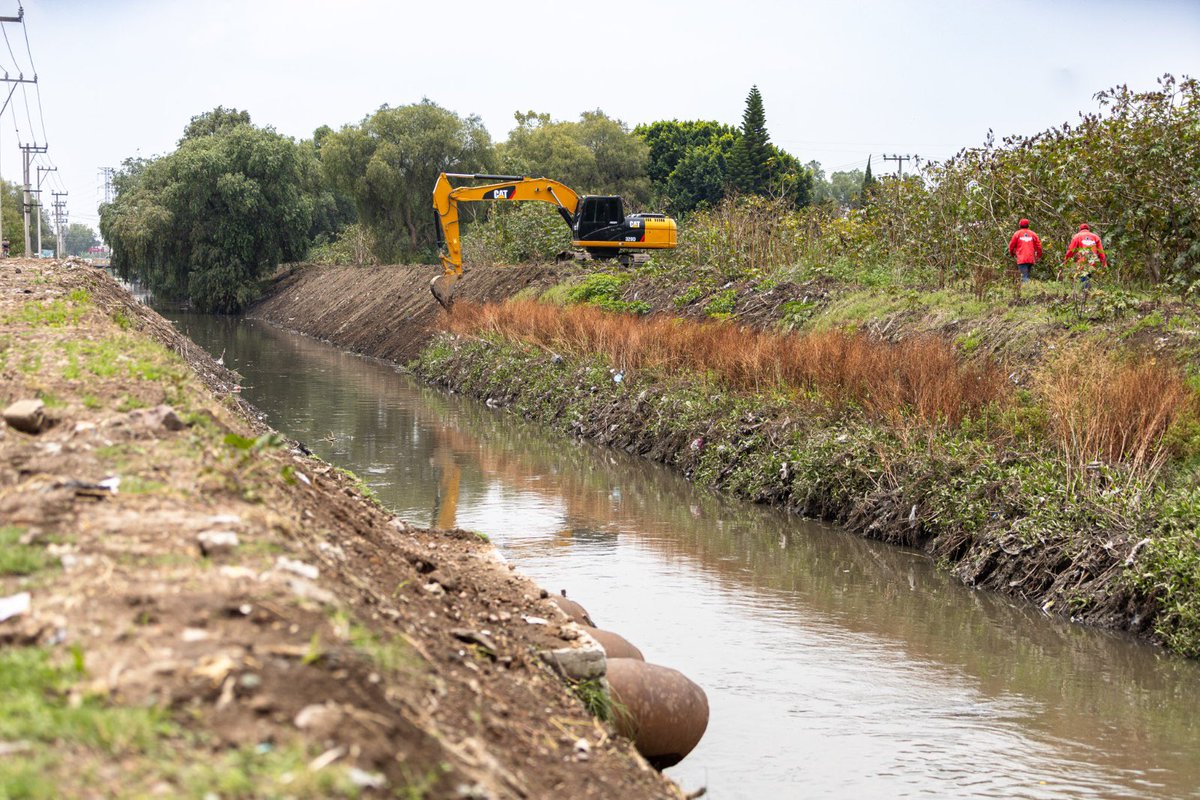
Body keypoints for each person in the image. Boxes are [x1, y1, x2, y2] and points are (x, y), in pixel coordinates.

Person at [1064, 223, 1107, 297]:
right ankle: (1086, 295)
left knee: (1084, 279)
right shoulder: (1095, 237)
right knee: (1088, 278)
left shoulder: (1076, 237)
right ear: (1088, 229)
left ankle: (1085, 296)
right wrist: (1104, 264)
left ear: (1080, 229)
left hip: (1082, 262)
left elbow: (1071, 251)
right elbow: (1101, 252)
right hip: (1092, 262)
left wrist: (1066, 260)